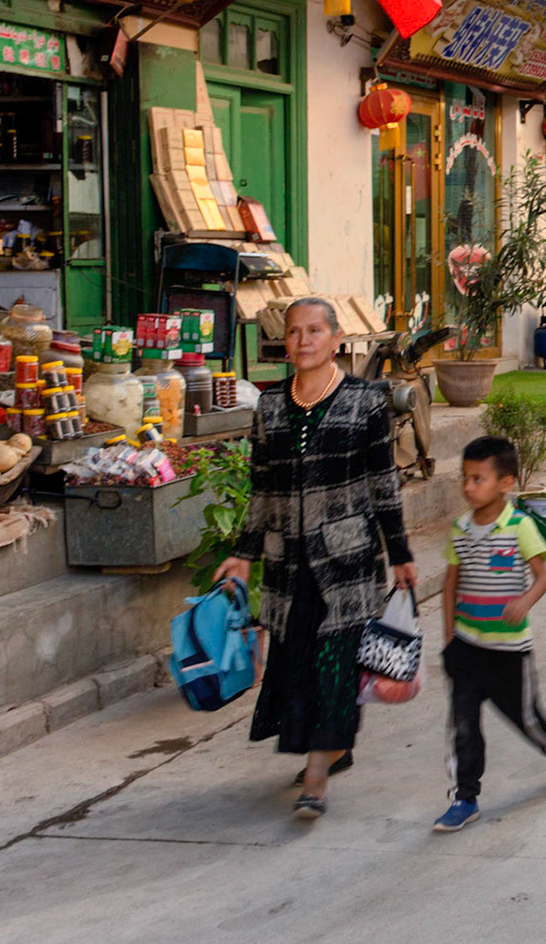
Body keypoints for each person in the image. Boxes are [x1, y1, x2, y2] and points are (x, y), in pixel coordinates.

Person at [215, 297, 417, 821]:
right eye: (294, 332)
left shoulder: (366, 402)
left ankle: (317, 778)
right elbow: (262, 491)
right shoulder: (270, 407)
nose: (303, 340)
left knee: (334, 664)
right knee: (300, 663)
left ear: (334, 339)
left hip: (347, 560)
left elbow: (382, 483)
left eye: (314, 331)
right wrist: (242, 555)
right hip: (288, 562)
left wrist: (399, 552)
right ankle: (332, 746)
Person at [434, 436, 546, 833]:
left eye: (478, 479)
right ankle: (464, 797)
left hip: (510, 651)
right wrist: (448, 639)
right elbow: (450, 584)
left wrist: (525, 601)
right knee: (462, 725)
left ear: (505, 483)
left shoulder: (520, 526)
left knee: (526, 718)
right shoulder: (460, 528)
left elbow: (542, 576)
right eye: (465, 478)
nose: (468, 487)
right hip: (465, 648)